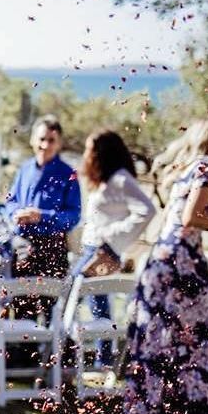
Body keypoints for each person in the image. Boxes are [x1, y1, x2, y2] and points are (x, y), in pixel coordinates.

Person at [122, 117, 208, 414]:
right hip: (181, 263)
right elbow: (190, 219)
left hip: (163, 258)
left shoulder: (191, 165)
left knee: (163, 344)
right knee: (205, 340)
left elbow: (185, 217)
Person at [74, 130, 155, 367]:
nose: (86, 154)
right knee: (96, 304)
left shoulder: (120, 179)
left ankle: (102, 360)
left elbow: (147, 210)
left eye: (90, 149)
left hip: (101, 250)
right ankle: (101, 360)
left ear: (101, 152)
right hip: (91, 247)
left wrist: (111, 239)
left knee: (74, 293)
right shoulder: (108, 180)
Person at [3, 115, 81, 320]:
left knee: (51, 311)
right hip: (23, 247)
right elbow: (10, 201)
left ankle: (53, 351)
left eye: (51, 140)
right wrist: (15, 213)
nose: (45, 145)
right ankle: (20, 351)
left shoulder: (68, 173)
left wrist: (42, 216)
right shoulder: (24, 169)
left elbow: (73, 215)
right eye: (41, 139)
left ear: (59, 143)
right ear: (32, 140)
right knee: (21, 310)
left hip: (52, 249)